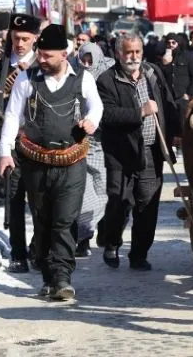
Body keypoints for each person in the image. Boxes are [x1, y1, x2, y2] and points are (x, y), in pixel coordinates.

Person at [0, 24, 103, 301]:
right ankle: (47, 274)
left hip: (71, 162)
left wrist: (91, 121)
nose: (40, 60)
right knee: (43, 220)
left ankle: (62, 277)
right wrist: (5, 152)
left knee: (65, 220)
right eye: (39, 54)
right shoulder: (26, 80)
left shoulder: (83, 78)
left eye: (47, 56)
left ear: (64, 55)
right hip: (36, 162)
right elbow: (11, 116)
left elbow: (96, 106)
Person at [95, 34, 171, 271]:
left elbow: (168, 103)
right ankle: (112, 242)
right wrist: (140, 112)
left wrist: (176, 132)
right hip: (121, 154)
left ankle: (139, 254)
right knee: (119, 202)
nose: (134, 57)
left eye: (137, 52)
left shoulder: (153, 74)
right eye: (129, 52)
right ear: (118, 53)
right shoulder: (107, 80)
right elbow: (105, 115)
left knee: (147, 207)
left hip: (150, 152)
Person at [0, 12, 41, 272]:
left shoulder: (42, 63)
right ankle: (18, 254)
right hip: (9, 142)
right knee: (13, 201)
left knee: (40, 201)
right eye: (16, 38)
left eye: (25, 39)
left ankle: (38, 248)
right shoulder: (0, 67)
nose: (20, 44)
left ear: (34, 39)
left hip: (37, 142)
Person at [74, 41, 115, 257]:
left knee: (104, 191)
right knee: (84, 194)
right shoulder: (73, 74)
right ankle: (82, 238)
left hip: (105, 143)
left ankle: (99, 229)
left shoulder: (109, 74)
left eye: (91, 59)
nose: (87, 63)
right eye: (84, 59)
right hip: (80, 142)